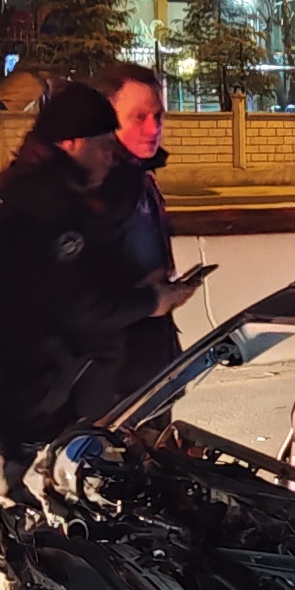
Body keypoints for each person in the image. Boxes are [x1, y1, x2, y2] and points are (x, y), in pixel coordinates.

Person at [0, 79, 207, 478]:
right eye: (103, 145)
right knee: (77, 504)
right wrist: (151, 301)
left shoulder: (34, 190)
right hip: (49, 395)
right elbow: (75, 307)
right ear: (72, 143)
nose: (109, 157)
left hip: (49, 391)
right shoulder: (47, 203)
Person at [97, 59, 189, 381]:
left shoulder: (141, 175)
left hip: (151, 355)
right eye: (139, 117)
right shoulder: (99, 187)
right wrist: (151, 300)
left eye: (158, 116)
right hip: (119, 368)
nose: (154, 129)